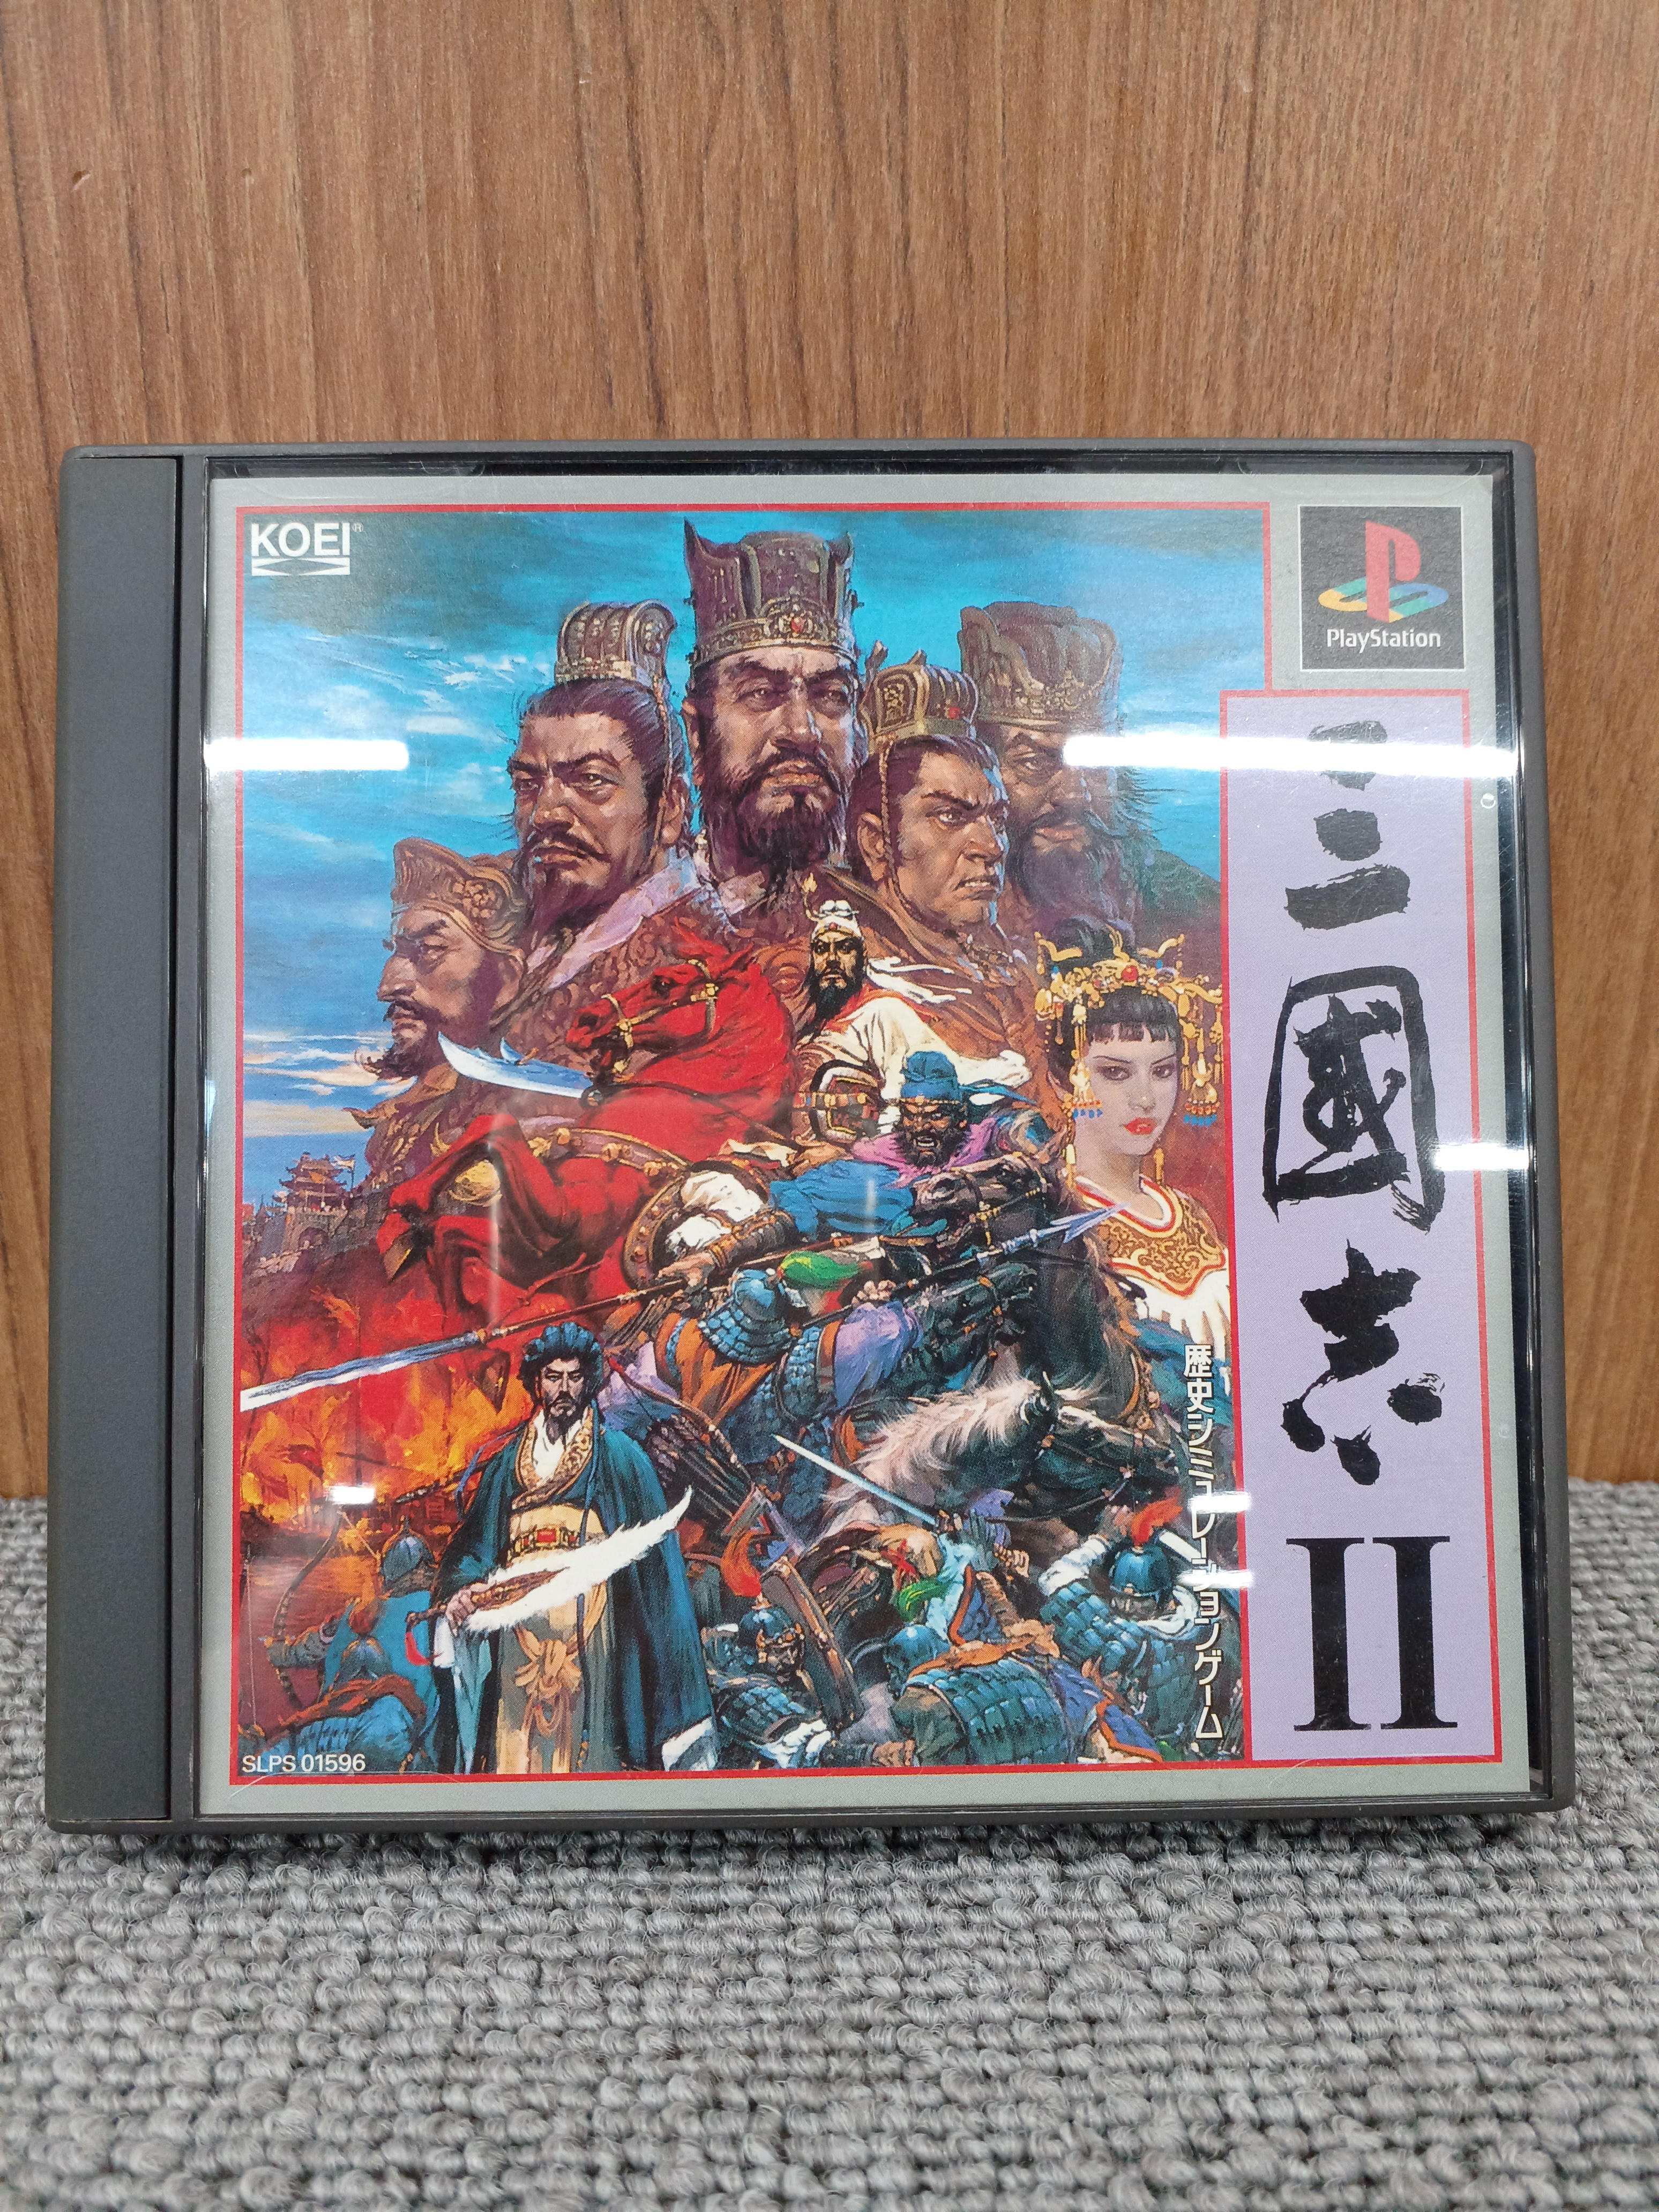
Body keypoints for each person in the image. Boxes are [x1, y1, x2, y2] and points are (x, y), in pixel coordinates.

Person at [429, 1322, 715, 1774]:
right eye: (553, 1377)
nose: (564, 1389)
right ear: (537, 1383)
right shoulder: (506, 1464)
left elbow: (658, 1575)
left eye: (574, 1377)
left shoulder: (620, 1456)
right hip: (517, 1630)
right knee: (513, 1750)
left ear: (588, 1382)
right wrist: (462, 1590)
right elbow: (474, 1546)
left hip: (593, 1627)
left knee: (591, 1746)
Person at [496, 599, 733, 1067]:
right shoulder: (532, 941)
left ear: (670, 808)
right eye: (527, 785)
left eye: (591, 780)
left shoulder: (695, 972)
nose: (545, 814)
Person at [809, 649, 1040, 1094]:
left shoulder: (1014, 969)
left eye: (996, 820)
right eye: (950, 817)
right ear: (877, 843)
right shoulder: (844, 984)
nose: (992, 847)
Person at [959, 600, 1221, 967]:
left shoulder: (1196, 910)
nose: (1074, 794)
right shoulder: (943, 915)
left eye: (1096, 763)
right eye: (1034, 762)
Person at [1035, 924, 1230, 1358]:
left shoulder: (1189, 1214)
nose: (1145, 1098)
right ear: (1063, 1082)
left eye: (1162, 1072)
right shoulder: (1057, 1220)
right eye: (1116, 1073)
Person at [679, 524, 864, 970]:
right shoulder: (655, 922)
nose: (802, 731)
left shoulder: (896, 923)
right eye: (761, 693)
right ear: (697, 736)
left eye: (831, 696)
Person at [353, 840, 527, 1189]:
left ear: (506, 979)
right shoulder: (400, 1121)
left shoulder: (517, 1118)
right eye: (396, 951)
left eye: (429, 949)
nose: (387, 987)